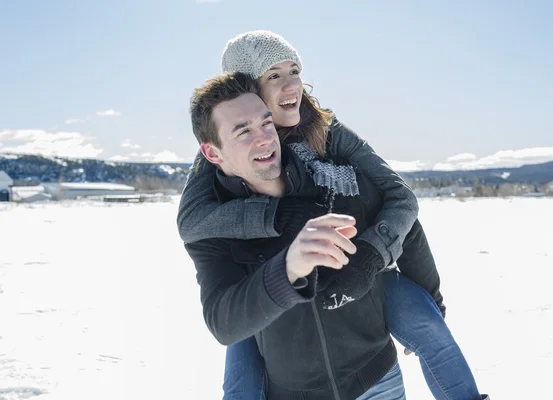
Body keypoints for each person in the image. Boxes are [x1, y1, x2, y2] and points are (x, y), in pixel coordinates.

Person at [179, 31, 489, 400]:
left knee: (431, 331)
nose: (292, 83)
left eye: (294, 70)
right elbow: (193, 223)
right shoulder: (217, 162)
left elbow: (399, 202)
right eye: (273, 75)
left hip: (368, 351)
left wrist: (378, 262)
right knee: (241, 369)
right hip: (285, 354)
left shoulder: (328, 143)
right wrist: (280, 217)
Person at [186, 71, 406, 399]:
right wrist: (287, 268)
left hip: (378, 378)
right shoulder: (214, 225)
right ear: (213, 154)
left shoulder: (329, 176)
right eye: (243, 131)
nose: (264, 138)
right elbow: (223, 321)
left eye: (265, 123)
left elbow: (401, 214)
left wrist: (381, 265)